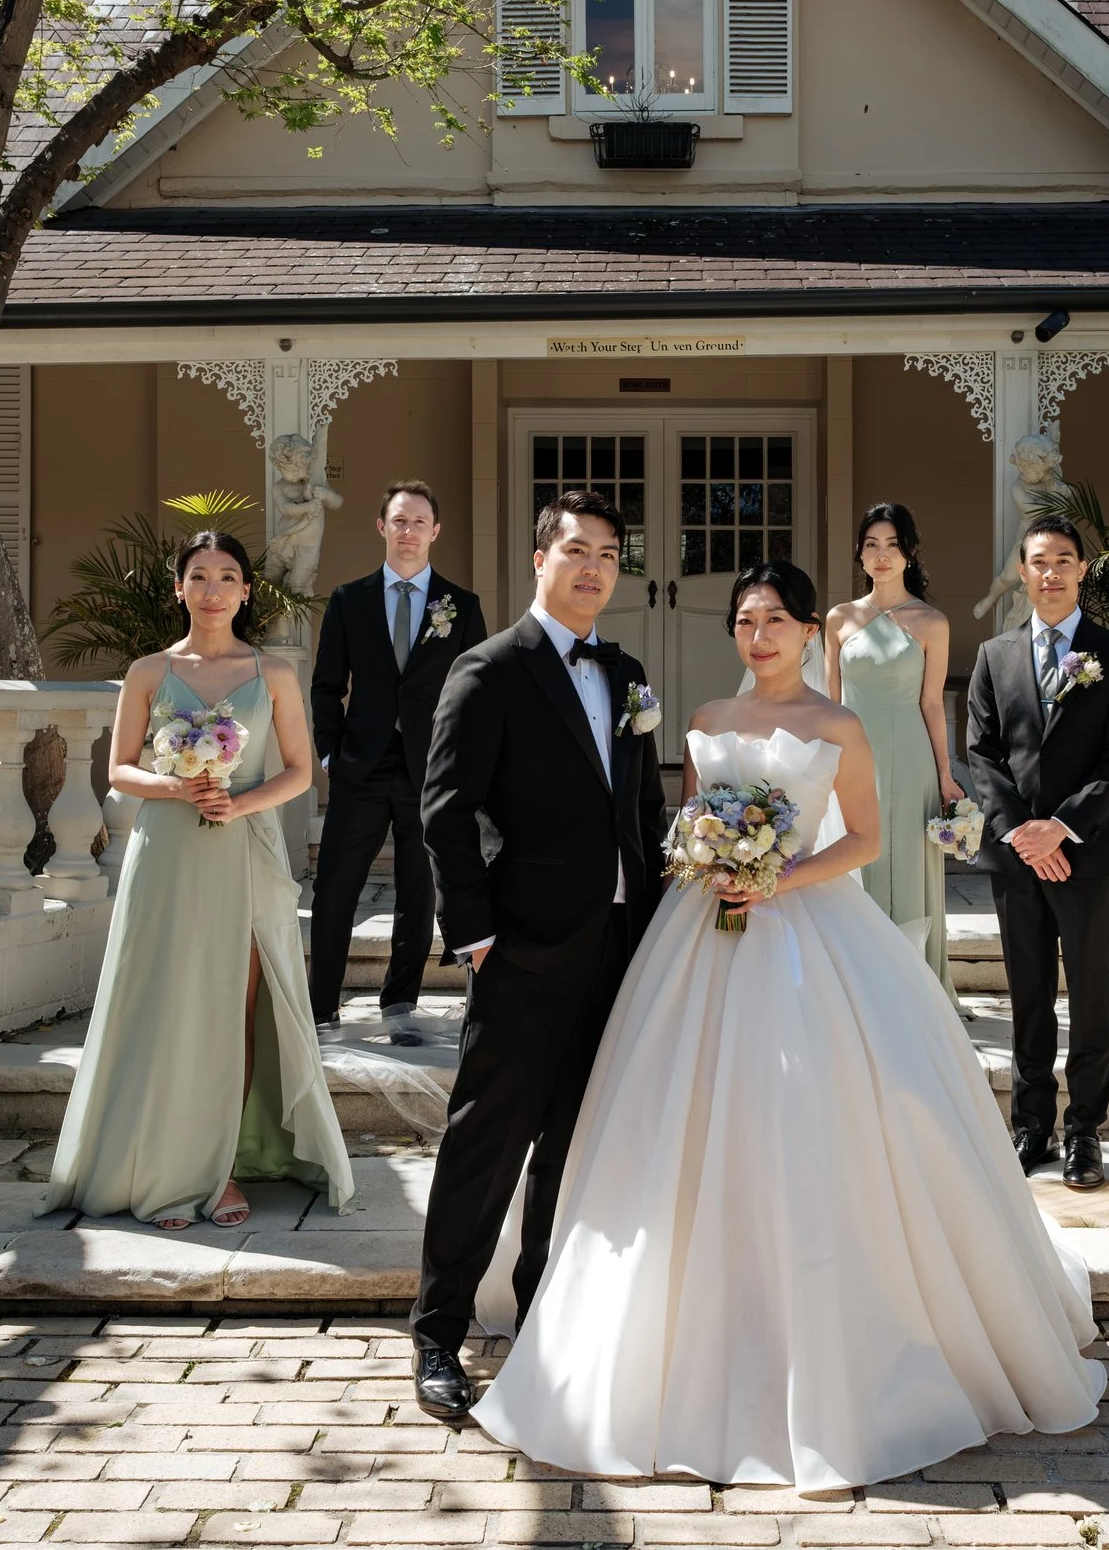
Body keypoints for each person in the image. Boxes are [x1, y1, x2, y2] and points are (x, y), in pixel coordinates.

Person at [472, 560, 1107, 1489]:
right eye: (745, 619)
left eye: (775, 619)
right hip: (699, 936)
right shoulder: (706, 721)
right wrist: (707, 859)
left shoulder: (838, 723)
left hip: (809, 925)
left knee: (818, 1108)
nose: (758, 634)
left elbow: (865, 839)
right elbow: (690, 817)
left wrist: (776, 876)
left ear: (811, 631)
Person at [410, 490, 668, 1421]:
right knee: (489, 1138)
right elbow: (444, 812)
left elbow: (641, 808)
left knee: (572, 1142)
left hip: (617, 945)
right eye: (576, 549)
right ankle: (437, 1330)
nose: (594, 566)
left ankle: (540, 1314)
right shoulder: (489, 669)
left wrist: (662, 911)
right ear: (539, 559)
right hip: (520, 947)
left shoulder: (630, 671)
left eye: (607, 552)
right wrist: (476, 934)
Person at [45, 530, 355, 1229]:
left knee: (228, 1011)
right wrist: (175, 785)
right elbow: (118, 768)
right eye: (199, 575)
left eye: (226, 577)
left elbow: (302, 771)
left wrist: (236, 801)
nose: (212, 589)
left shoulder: (272, 672)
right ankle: (154, 1164)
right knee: (161, 1002)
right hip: (167, 851)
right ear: (178, 588)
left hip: (242, 848)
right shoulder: (148, 671)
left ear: (246, 592)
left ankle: (219, 1171)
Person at [964, 515, 1109, 1192]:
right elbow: (984, 754)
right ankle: (1031, 1124)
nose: (1051, 572)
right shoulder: (994, 656)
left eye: (1064, 560)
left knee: (1091, 994)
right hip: (1016, 859)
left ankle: (1085, 1131)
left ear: (1082, 570)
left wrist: (1061, 828)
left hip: (1087, 853)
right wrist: (1022, 832)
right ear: (1022, 569)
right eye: (1039, 560)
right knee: (1029, 995)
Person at [307, 481, 489, 1041]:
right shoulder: (349, 600)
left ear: (435, 531)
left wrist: (464, 764)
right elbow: (326, 686)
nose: (408, 531)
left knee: (418, 889)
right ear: (381, 526)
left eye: (419, 522)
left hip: (430, 767)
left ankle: (400, 1005)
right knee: (336, 887)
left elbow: (478, 693)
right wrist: (332, 753)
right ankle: (321, 1007)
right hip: (361, 763)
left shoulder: (460, 606)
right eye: (399, 520)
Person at [826, 503, 960, 992]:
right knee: (854, 860)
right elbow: (831, 704)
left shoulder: (932, 622)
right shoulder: (839, 619)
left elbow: (930, 704)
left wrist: (945, 775)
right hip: (853, 757)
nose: (881, 556)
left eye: (892, 545)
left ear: (908, 553)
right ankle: (856, 982)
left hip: (909, 760)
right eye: (871, 545)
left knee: (905, 865)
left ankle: (914, 987)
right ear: (859, 554)